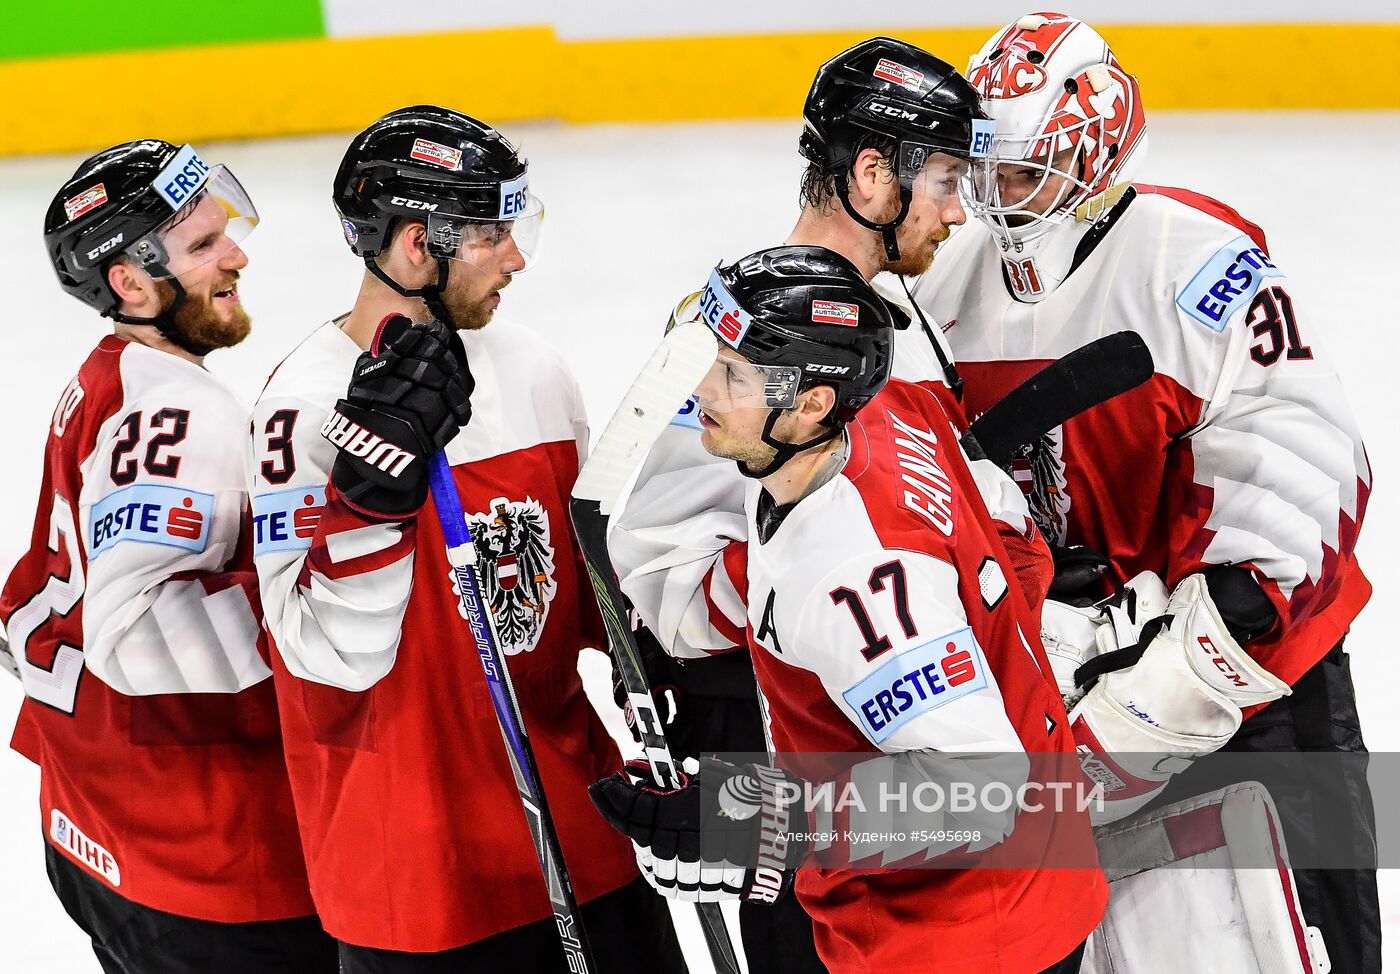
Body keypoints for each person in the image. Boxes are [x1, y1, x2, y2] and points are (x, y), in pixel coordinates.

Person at [914, 12, 1376, 971]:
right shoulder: (951, 285)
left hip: (1254, 684)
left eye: (1021, 168)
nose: (997, 199)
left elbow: (1299, 457)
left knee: (1302, 937)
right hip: (1073, 672)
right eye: (982, 171)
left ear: (1091, 146)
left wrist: (1201, 639)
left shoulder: (1196, 259)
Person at [607, 39, 1036, 973]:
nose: (961, 214)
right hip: (795, 770)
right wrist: (818, 569)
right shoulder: (732, 334)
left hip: (917, 771)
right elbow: (664, 585)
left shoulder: (890, 317)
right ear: (874, 176)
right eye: (948, 181)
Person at [246, 105, 687, 973]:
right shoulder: (302, 406)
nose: (517, 257)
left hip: (581, 835)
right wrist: (369, 498)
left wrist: (664, 651)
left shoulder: (534, 368)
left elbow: (587, 584)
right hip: (414, 877)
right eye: (493, 234)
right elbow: (319, 656)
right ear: (418, 243)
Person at [591, 245, 1108, 974]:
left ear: (812, 404)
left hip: (957, 940)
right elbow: (1014, 546)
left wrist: (747, 817)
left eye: (733, 374)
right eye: (713, 354)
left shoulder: (854, 581)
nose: (702, 387)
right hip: (1027, 891)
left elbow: (981, 792)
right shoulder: (895, 408)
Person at [0, 140, 334, 972]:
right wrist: (337, 584)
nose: (237, 256)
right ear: (131, 281)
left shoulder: (108, 377)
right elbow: (144, 636)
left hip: (94, 818)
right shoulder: (177, 411)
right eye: (204, 246)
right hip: (201, 859)